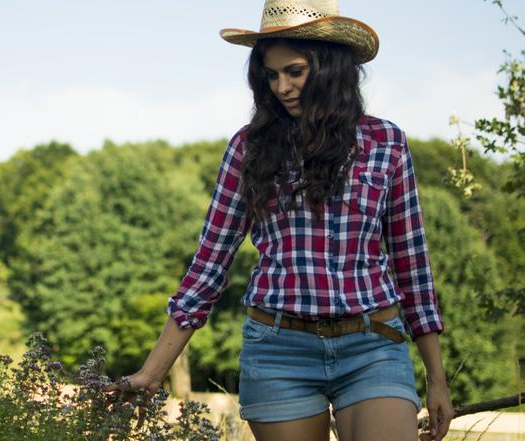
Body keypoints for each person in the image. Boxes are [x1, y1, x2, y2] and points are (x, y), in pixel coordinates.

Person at [104, 1, 455, 440]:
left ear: (329, 69)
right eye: (271, 76)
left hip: (373, 345)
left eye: (295, 71)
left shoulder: (386, 143)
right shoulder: (248, 149)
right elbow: (209, 265)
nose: (282, 87)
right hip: (278, 350)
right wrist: (152, 373)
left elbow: (412, 266)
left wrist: (437, 380)